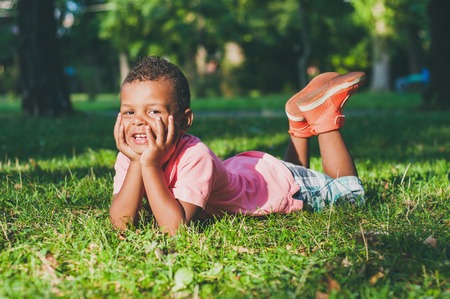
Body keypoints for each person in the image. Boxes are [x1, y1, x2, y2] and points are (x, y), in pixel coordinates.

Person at [109, 56, 366, 235]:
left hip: (277, 186)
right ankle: (299, 124)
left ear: (185, 120)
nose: (138, 122)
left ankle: (324, 118)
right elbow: (121, 223)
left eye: (153, 111)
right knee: (296, 171)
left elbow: (173, 228)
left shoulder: (195, 156)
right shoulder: (130, 157)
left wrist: (150, 165)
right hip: (251, 172)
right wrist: (136, 163)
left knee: (352, 196)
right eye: (129, 112)